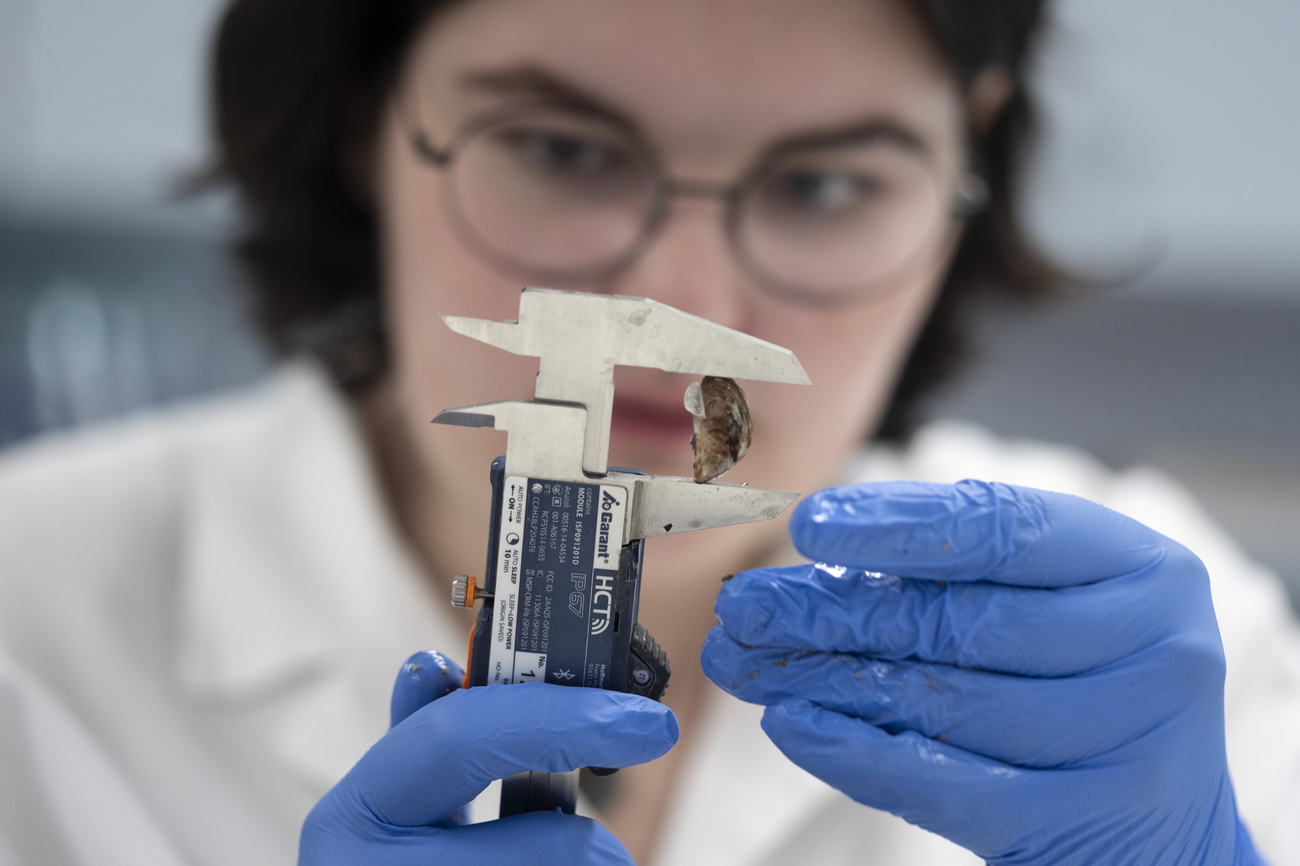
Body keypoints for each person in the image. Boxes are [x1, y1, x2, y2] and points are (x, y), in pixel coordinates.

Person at [1, 0, 1299, 864]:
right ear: (364, 123)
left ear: (965, 170)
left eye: (824, 185)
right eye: (564, 149)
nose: (674, 301)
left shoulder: (1163, 672)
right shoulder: (30, 621)